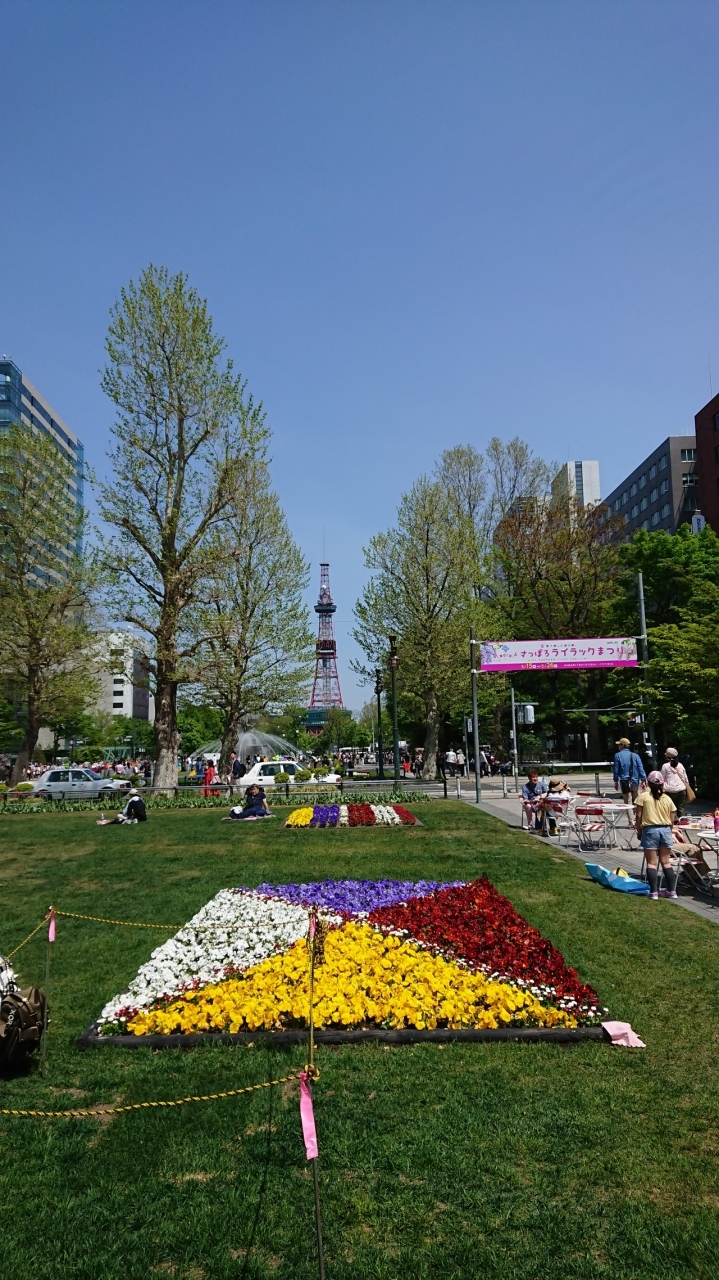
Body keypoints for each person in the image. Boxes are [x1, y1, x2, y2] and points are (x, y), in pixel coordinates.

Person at [634, 770, 678, 899]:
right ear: (662, 783)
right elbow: (671, 819)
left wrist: (639, 830)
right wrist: (669, 831)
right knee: (666, 862)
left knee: (651, 863)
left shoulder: (643, 796)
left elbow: (639, 816)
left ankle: (653, 892)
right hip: (665, 830)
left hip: (650, 830)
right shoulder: (667, 798)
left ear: (648, 783)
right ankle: (671, 891)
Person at [612, 737, 646, 803]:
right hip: (635, 781)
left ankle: (629, 813)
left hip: (624, 781)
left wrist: (615, 781)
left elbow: (616, 770)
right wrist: (643, 780)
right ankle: (636, 812)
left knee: (627, 800)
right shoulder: (636, 756)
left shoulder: (617, 755)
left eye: (619, 745)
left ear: (623, 745)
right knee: (636, 800)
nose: (618, 746)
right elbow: (641, 768)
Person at [661, 748, 690, 818]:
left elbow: (662, 779)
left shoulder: (665, 766)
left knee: (672, 809)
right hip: (681, 790)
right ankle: (682, 823)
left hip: (670, 791)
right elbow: (685, 778)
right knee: (681, 809)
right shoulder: (680, 765)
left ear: (667, 757)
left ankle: (674, 825)